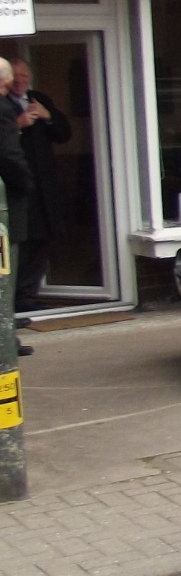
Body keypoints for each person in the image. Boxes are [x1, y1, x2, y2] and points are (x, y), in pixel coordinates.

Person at [3, 58, 73, 317]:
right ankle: (14, 299)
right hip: (18, 185)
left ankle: (28, 296)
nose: (21, 81)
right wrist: (19, 125)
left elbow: (64, 134)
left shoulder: (38, 99)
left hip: (44, 186)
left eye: (25, 77)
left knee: (44, 239)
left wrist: (48, 116)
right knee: (21, 244)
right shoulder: (3, 106)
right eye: (16, 77)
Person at [0, 62, 38, 356]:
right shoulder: (3, 110)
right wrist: (26, 184)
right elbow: (9, 155)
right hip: (5, 208)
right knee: (5, 276)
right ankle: (5, 343)